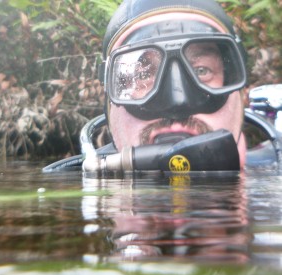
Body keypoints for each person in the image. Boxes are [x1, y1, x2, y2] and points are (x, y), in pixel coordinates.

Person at [43, 0, 281, 174]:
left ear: (239, 95)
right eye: (143, 75)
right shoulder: (74, 187)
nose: (177, 103)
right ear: (109, 103)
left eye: (201, 71)